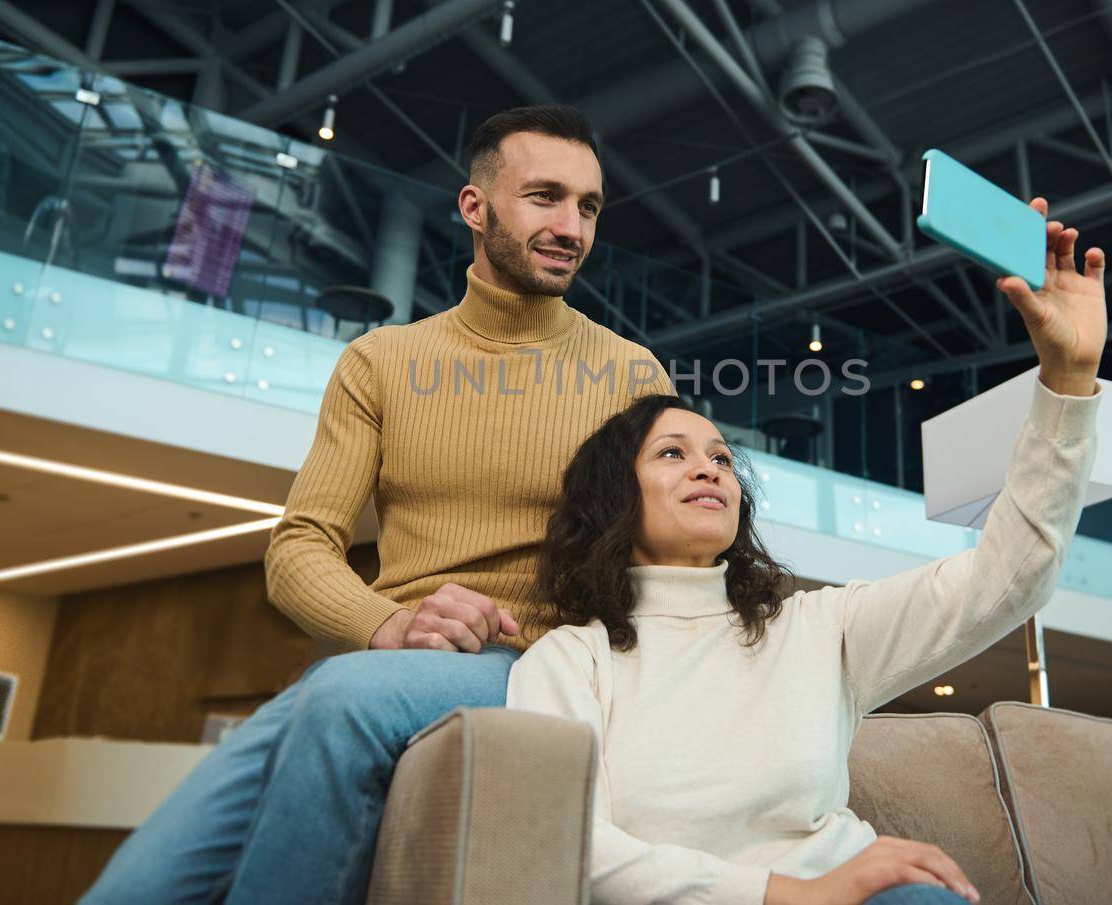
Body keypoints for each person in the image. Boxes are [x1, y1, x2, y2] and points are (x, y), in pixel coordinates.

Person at [82, 104, 673, 904]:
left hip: (539, 663)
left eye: (589, 206)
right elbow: (298, 547)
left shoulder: (632, 375)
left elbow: (665, 564)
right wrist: (387, 624)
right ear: (475, 207)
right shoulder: (380, 361)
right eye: (544, 197)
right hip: (382, 663)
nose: (572, 226)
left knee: (338, 693)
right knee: (134, 888)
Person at [507, 202, 1107, 905]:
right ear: (615, 498)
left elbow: (1009, 578)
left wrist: (1068, 380)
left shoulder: (818, 630)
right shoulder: (569, 660)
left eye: (723, 458)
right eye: (673, 453)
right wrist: (789, 893)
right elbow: (570, 843)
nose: (710, 471)